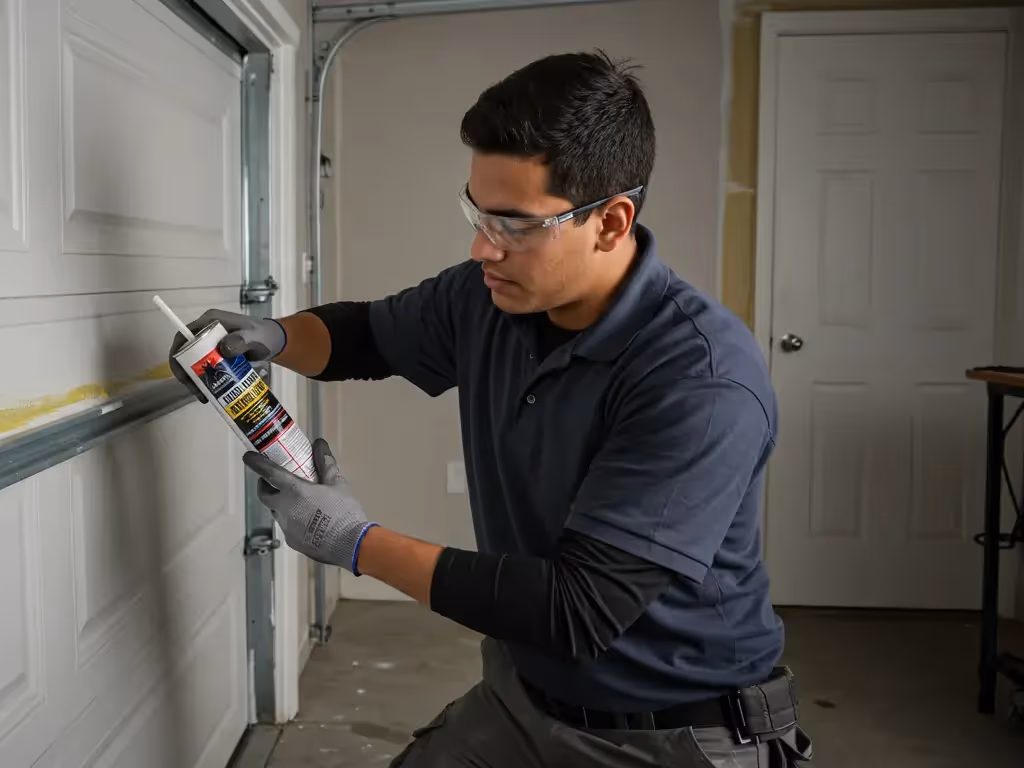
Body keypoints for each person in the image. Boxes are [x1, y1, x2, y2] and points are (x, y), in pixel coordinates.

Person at [169, 52, 812, 767]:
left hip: (672, 732)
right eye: (477, 212)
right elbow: (366, 335)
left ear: (610, 220)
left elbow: (578, 609)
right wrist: (274, 337)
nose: (482, 247)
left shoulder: (699, 376)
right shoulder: (487, 297)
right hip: (523, 693)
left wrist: (353, 542)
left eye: (514, 224)